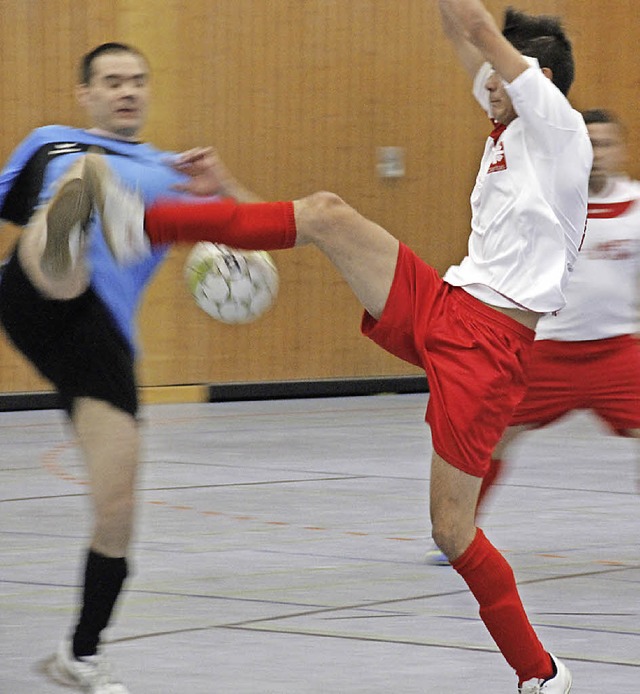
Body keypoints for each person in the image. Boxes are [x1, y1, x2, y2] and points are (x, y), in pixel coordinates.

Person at [80, 2, 591, 690]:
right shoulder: (508, 124)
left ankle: (541, 674)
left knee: (452, 530)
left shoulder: (558, 130)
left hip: (489, 346)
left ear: (538, 75)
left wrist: (480, 31)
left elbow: (475, 28)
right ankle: (145, 220)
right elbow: (458, 32)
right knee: (326, 213)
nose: (485, 88)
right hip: (447, 307)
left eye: (499, 78)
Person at [0, 43, 256, 694]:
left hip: (101, 336)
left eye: (138, 81)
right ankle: (111, 218)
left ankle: (80, 654)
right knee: (86, 175)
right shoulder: (49, 143)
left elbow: (256, 230)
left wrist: (220, 186)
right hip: (40, 284)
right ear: (85, 93)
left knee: (117, 512)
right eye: (112, 82)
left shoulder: (172, 169)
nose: (127, 92)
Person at [426, 108, 640, 567]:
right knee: (496, 436)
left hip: (618, 353)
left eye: (606, 144)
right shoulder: (549, 201)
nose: (598, 154)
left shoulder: (637, 206)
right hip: (549, 353)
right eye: (590, 145)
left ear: (621, 149)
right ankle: (461, 533)